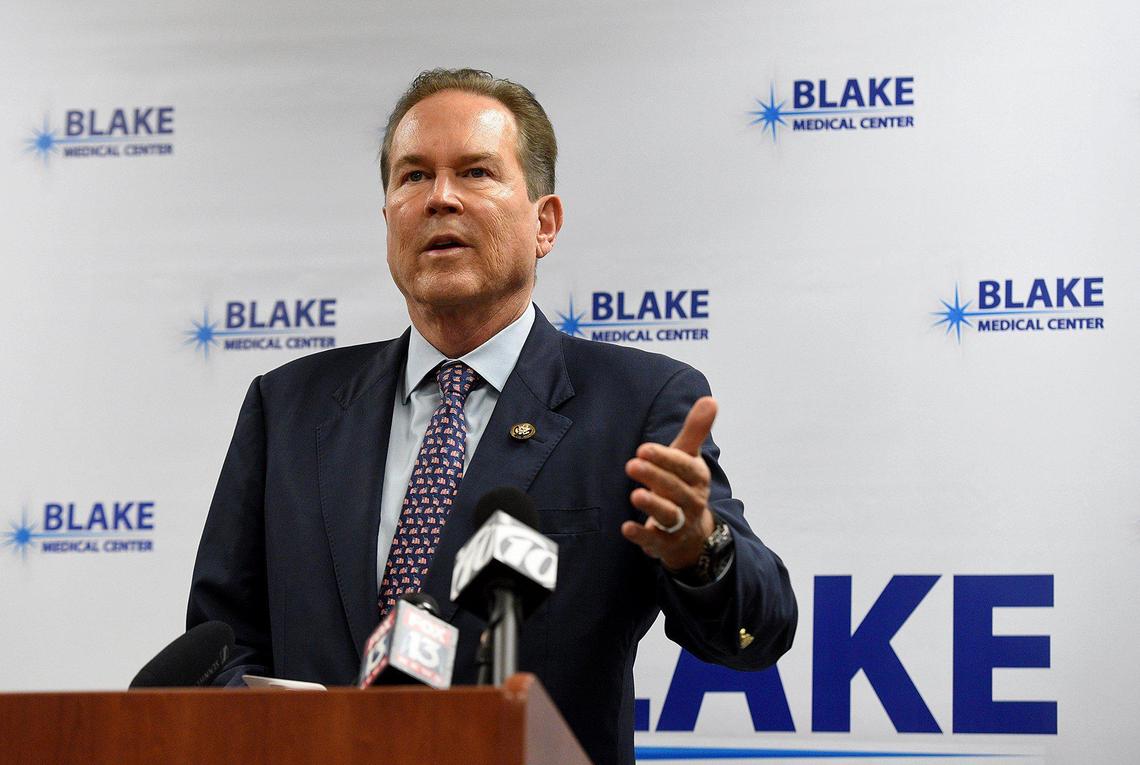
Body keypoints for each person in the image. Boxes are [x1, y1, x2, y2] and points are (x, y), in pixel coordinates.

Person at [188, 68, 796, 765]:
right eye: (414, 176)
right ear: (388, 219)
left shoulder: (636, 403)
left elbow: (756, 635)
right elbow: (218, 645)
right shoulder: (288, 407)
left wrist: (699, 549)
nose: (440, 197)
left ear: (545, 223)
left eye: (475, 172)